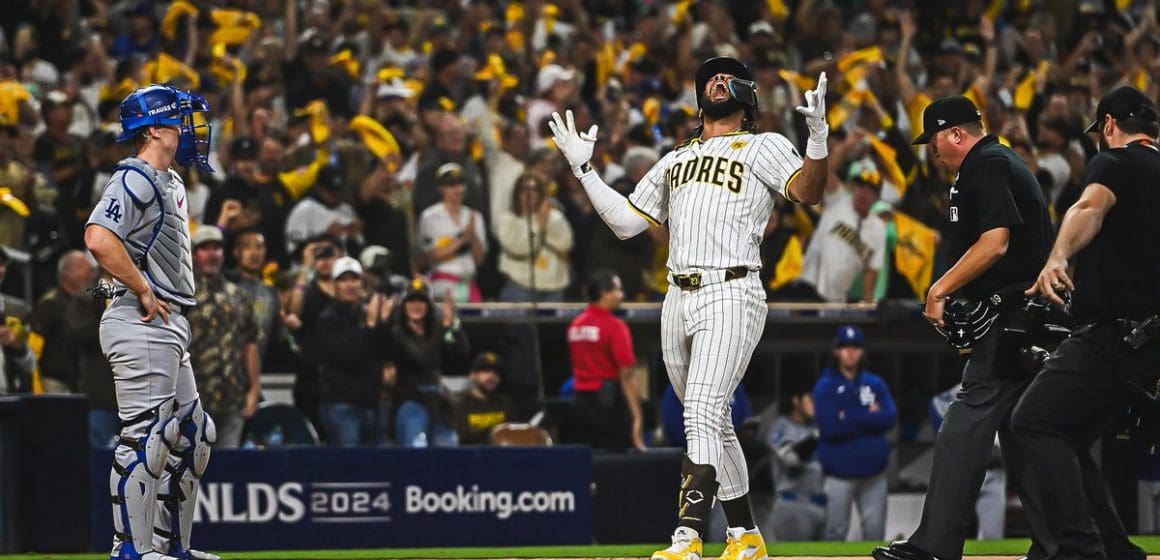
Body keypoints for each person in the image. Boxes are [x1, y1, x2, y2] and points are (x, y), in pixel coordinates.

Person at [550, 56, 831, 560]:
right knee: (712, 420)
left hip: (732, 288)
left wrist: (817, 140)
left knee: (701, 408)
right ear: (698, 100)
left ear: (747, 98)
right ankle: (745, 536)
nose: (717, 81)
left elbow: (808, 192)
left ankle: (688, 536)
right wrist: (583, 168)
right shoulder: (676, 157)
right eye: (709, 78)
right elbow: (627, 224)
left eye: (727, 77)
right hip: (676, 296)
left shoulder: (763, 144)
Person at [873, 95, 1054, 560]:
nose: (932, 150)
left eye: (935, 140)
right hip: (1025, 318)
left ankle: (935, 545)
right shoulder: (995, 163)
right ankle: (1066, 543)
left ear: (956, 134)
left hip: (1013, 320)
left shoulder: (986, 164)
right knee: (1027, 432)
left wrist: (939, 289)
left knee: (963, 425)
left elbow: (996, 243)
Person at [1010, 85, 1160, 560]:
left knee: (1031, 422)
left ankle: (1078, 548)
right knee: (1069, 435)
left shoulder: (1116, 162)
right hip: (1149, 343)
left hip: (1115, 335)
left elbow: (1089, 207)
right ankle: (1116, 550)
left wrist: (1058, 256)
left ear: (1110, 125)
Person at [84, 84, 218, 560]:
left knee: (193, 434)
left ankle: (170, 546)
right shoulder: (135, 178)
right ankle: (130, 551)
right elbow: (99, 238)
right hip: (138, 317)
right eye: (181, 120)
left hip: (167, 322)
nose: (191, 129)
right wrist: (141, 286)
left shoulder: (170, 181)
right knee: (146, 438)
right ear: (156, 128)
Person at [814, 326, 896, 541]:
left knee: (875, 532)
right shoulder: (825, 386)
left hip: (874, 474)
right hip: (838, 474)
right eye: (844, 347)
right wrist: (869, 417)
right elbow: (830, 428)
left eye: (855, 347)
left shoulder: (874, 383)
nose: (850, 352)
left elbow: (889, 418)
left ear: (862, 352)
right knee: (835, 533)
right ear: (836, 351)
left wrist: (848, 416)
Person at [187, 226, 260, 449]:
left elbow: (250, 344)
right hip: (191, 400)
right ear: (193, 254)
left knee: (230, 470)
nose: (211, 254)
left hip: (232, 398)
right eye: (204, 249)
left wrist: (254, 388)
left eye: (216, 248)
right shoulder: (181, 296)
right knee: (190, 471)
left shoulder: (239, 295)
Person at [316, 256, 393, 446]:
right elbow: (349, 356)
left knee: (378, 471)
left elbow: (386, 352)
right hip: (342, 406)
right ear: (334, 285)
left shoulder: (367, 314)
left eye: (354, 279)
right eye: (343, 280)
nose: (350, 285)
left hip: (372, 404)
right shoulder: (328, 319)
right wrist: (370, 325)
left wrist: (383, 324)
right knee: (348, 472)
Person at [387, 277, 470, 447]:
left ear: (429, 306)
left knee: (448, 449)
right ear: (403, 305)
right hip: (411, 402)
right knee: (417, 449)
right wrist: (442, 328)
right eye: (411, 301)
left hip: (437, 402)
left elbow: (461, 351)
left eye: (421, 301)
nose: (416, 306)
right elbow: (420, 358)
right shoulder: (397, 334)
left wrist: (453, 324)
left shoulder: (435, 331)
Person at [567, 270, 644, 451]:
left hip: (580, 404)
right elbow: (626, 376)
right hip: (608, 405)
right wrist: (637, 417)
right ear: (604, 293)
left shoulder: (575, 325)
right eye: (618, 290)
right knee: (615, 466)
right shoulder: (615, 327)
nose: (621, 296)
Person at [930, 383, 1006, 540]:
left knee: (992, 535)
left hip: (994, 470)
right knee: (946, 534)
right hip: (962, 469)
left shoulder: (1009, 388)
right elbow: (935, 405)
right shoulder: (965, 387)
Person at [497, 172, 573, 302]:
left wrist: (545, 224)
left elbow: (566, 244)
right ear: (517, 194)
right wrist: (539, 224)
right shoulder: (508, 220)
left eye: (534, 190)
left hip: (554, 287)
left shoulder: (554, 217)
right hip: (520, 286)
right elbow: (520, 248)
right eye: (525, 190)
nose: (529, 195)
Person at [417, 163, 487, 302]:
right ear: (440, 188)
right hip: (443, 283)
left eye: (460, 184)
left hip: (469, 284)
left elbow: (479, 260)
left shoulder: (475, 216)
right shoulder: (430, 217)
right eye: (451, 185)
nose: (457, 189)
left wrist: (472, 238)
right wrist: (462, 241)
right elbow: (429, 257)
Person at [766, 386, 825, 541]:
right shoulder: (781, 427)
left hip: (822, 505)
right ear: (796, 401)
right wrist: (817, 436)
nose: (815, 404)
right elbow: (791, 459)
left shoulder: (816, 427)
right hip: (793, 506)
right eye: (810, 399)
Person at [454, 351, 518, 445]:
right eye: (485, 371)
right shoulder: (460, 405)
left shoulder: (507, 404)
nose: (491, 376)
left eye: (496, 372)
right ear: (473, 375)